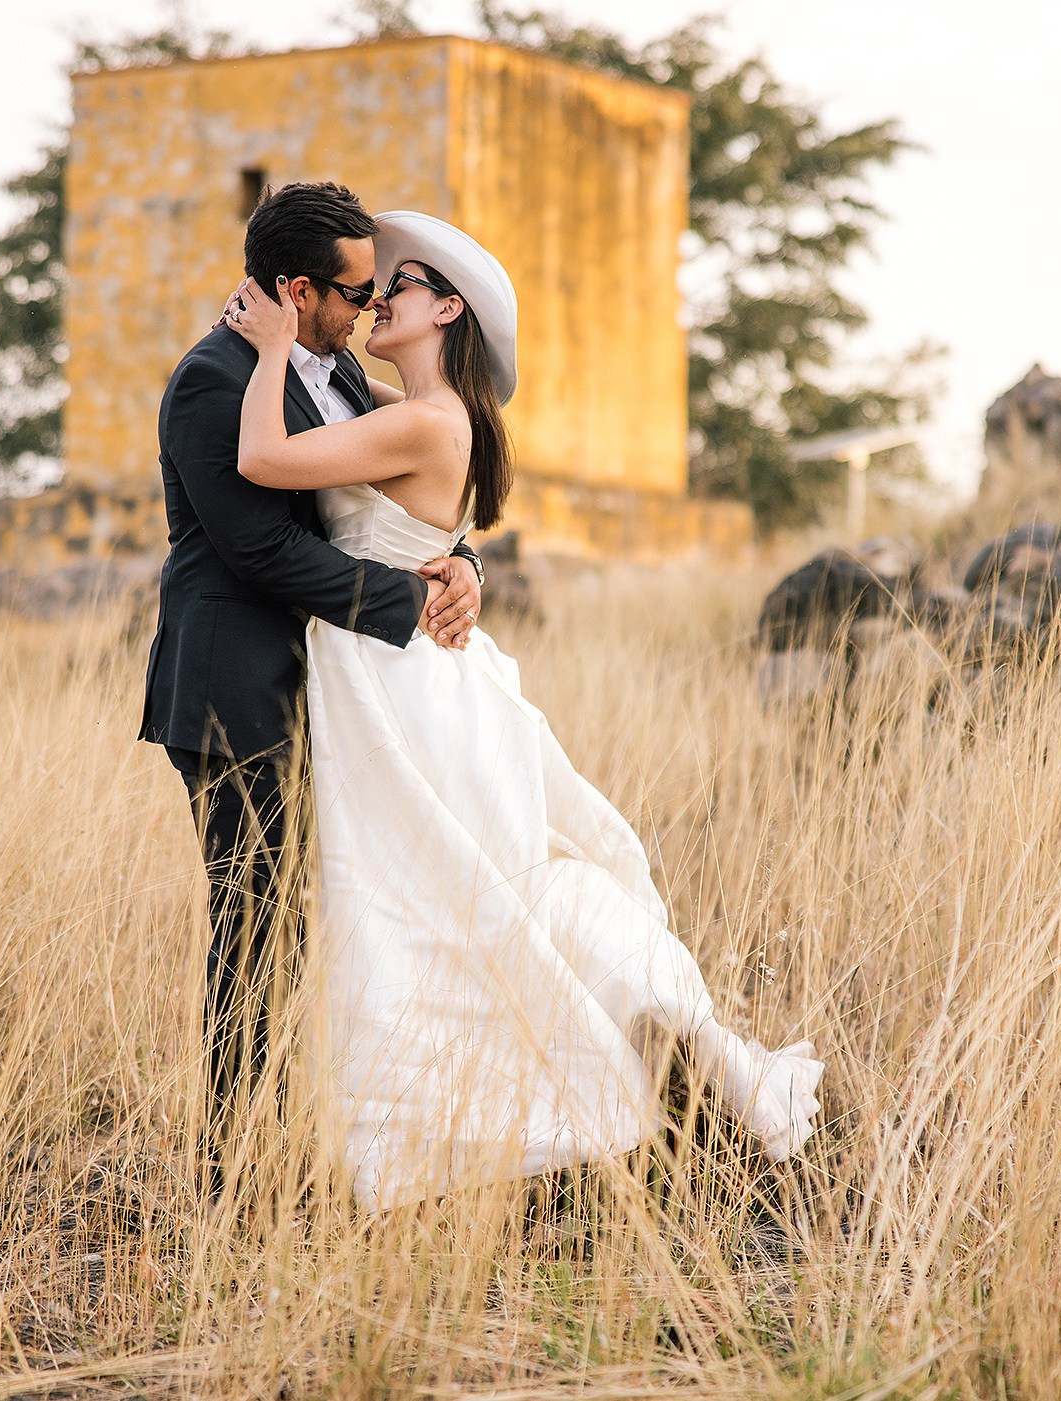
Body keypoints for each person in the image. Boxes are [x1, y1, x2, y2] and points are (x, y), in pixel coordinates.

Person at [220, 209, 822, 1210]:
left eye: (399, 288)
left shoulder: (423, 418)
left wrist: (273, 345)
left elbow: (267, 463)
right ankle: (463, 1118)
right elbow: (339, 421)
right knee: (431, 894)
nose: (378, 300)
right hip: (407, 673)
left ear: (445, 309)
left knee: (418, 897)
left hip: (400, 687)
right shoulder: (411, 407)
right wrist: (462, 561)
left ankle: (485, 1123)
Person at [136, 183, 485, 1155]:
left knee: (318, 921)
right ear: (298, 291)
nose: (372, 306)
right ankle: (232, 1165)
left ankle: (302, 1137)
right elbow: (260, 550)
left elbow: (424, 483)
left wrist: (462, 565)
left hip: (329, 692)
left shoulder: (328, 373)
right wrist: (406, 606)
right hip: (235, 692)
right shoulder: (215, 377)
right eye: (357, 290)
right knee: (255, 925)